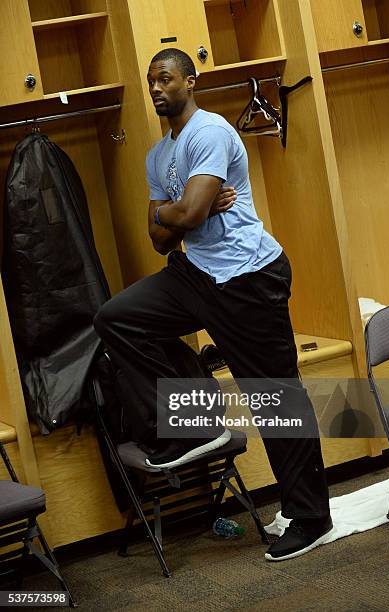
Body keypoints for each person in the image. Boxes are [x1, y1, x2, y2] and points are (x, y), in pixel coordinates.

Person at [94, 48, 333, 561]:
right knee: (117, 319)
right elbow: (160, 238)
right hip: (195, 273)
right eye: (151, 82)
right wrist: (180, 216)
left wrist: (179, 213)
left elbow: (189, 212)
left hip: (247, 277)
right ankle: (191, 427)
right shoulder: (157, 156)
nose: (157, 89)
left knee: (275, 398)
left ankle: (310, 516)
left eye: (166, 79)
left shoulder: (211, 131)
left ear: (190, 80)